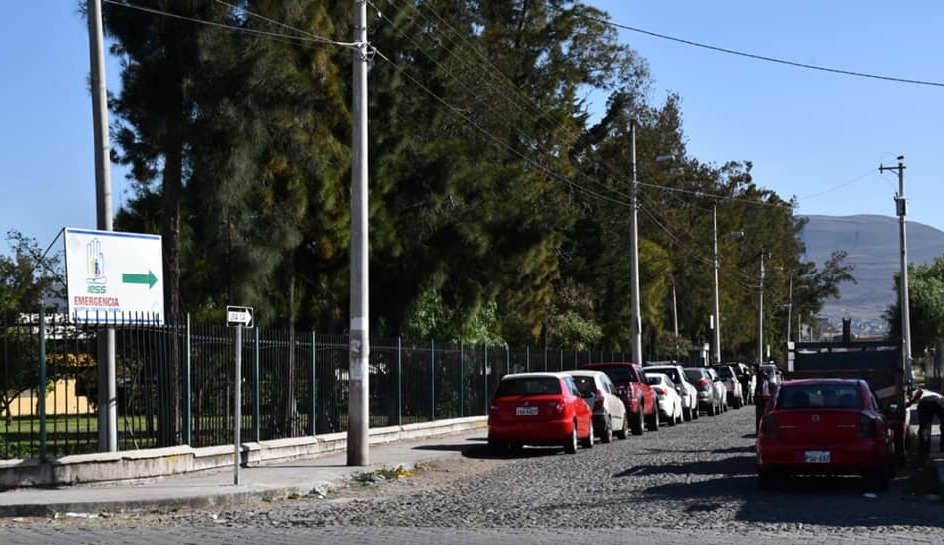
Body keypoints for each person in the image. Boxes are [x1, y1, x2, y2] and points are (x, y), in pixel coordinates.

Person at [908, 388, 944, 457]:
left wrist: (910, 403)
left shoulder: (922, 392)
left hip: (925, 402)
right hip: (938, 402)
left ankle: (924, 449)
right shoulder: (937, 395)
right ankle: (943, 447)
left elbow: (917, 394)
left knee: (925, 426)